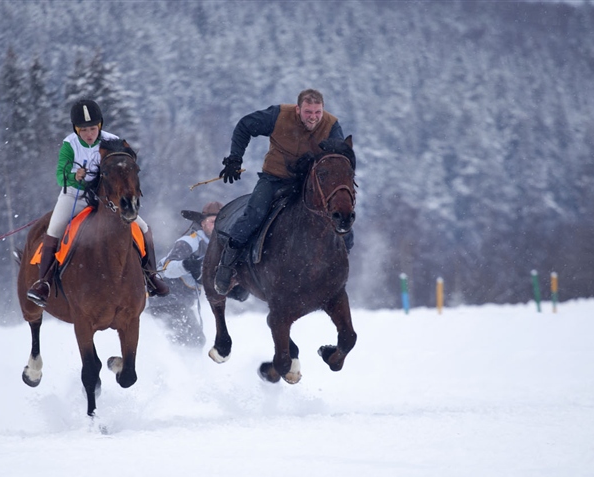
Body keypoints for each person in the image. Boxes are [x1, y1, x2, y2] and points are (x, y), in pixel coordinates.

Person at [27, 98, 168, 306]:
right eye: (83, 130)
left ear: (100, 125)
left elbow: (126, 166)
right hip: (75, 196)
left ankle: (151, 277)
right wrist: (75, 176)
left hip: (107, 199)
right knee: (54, 230)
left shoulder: (113, 141)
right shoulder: (69, 144)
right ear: (76, 130)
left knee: (144, 228)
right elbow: (60, 176)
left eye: (92, 128)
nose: (89, 134)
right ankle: (44, 284)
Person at [214, 88, 352, 295]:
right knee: (255, 213)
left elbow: (342, 157)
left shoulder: (332, 125)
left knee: (340, 217)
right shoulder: (277, 116)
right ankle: (227, 265)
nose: (313, 118)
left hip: (308, 184)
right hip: (274, 179)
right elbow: (244, 126)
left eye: (317, 112)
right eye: (308, 112)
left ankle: (338, 266)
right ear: (298, 109)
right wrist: (235, 158)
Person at [148, 201, 222, 348]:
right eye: (213, 221)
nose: (218, 226)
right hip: (166, 302)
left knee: (196, 341)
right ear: (203, 224)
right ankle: (177, 368)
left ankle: (182, 368)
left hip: (181, 304)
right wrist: (186, 265)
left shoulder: (216, 246)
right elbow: (166, 269)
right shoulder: (189, 242)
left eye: (222, 222)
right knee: (192, 341)